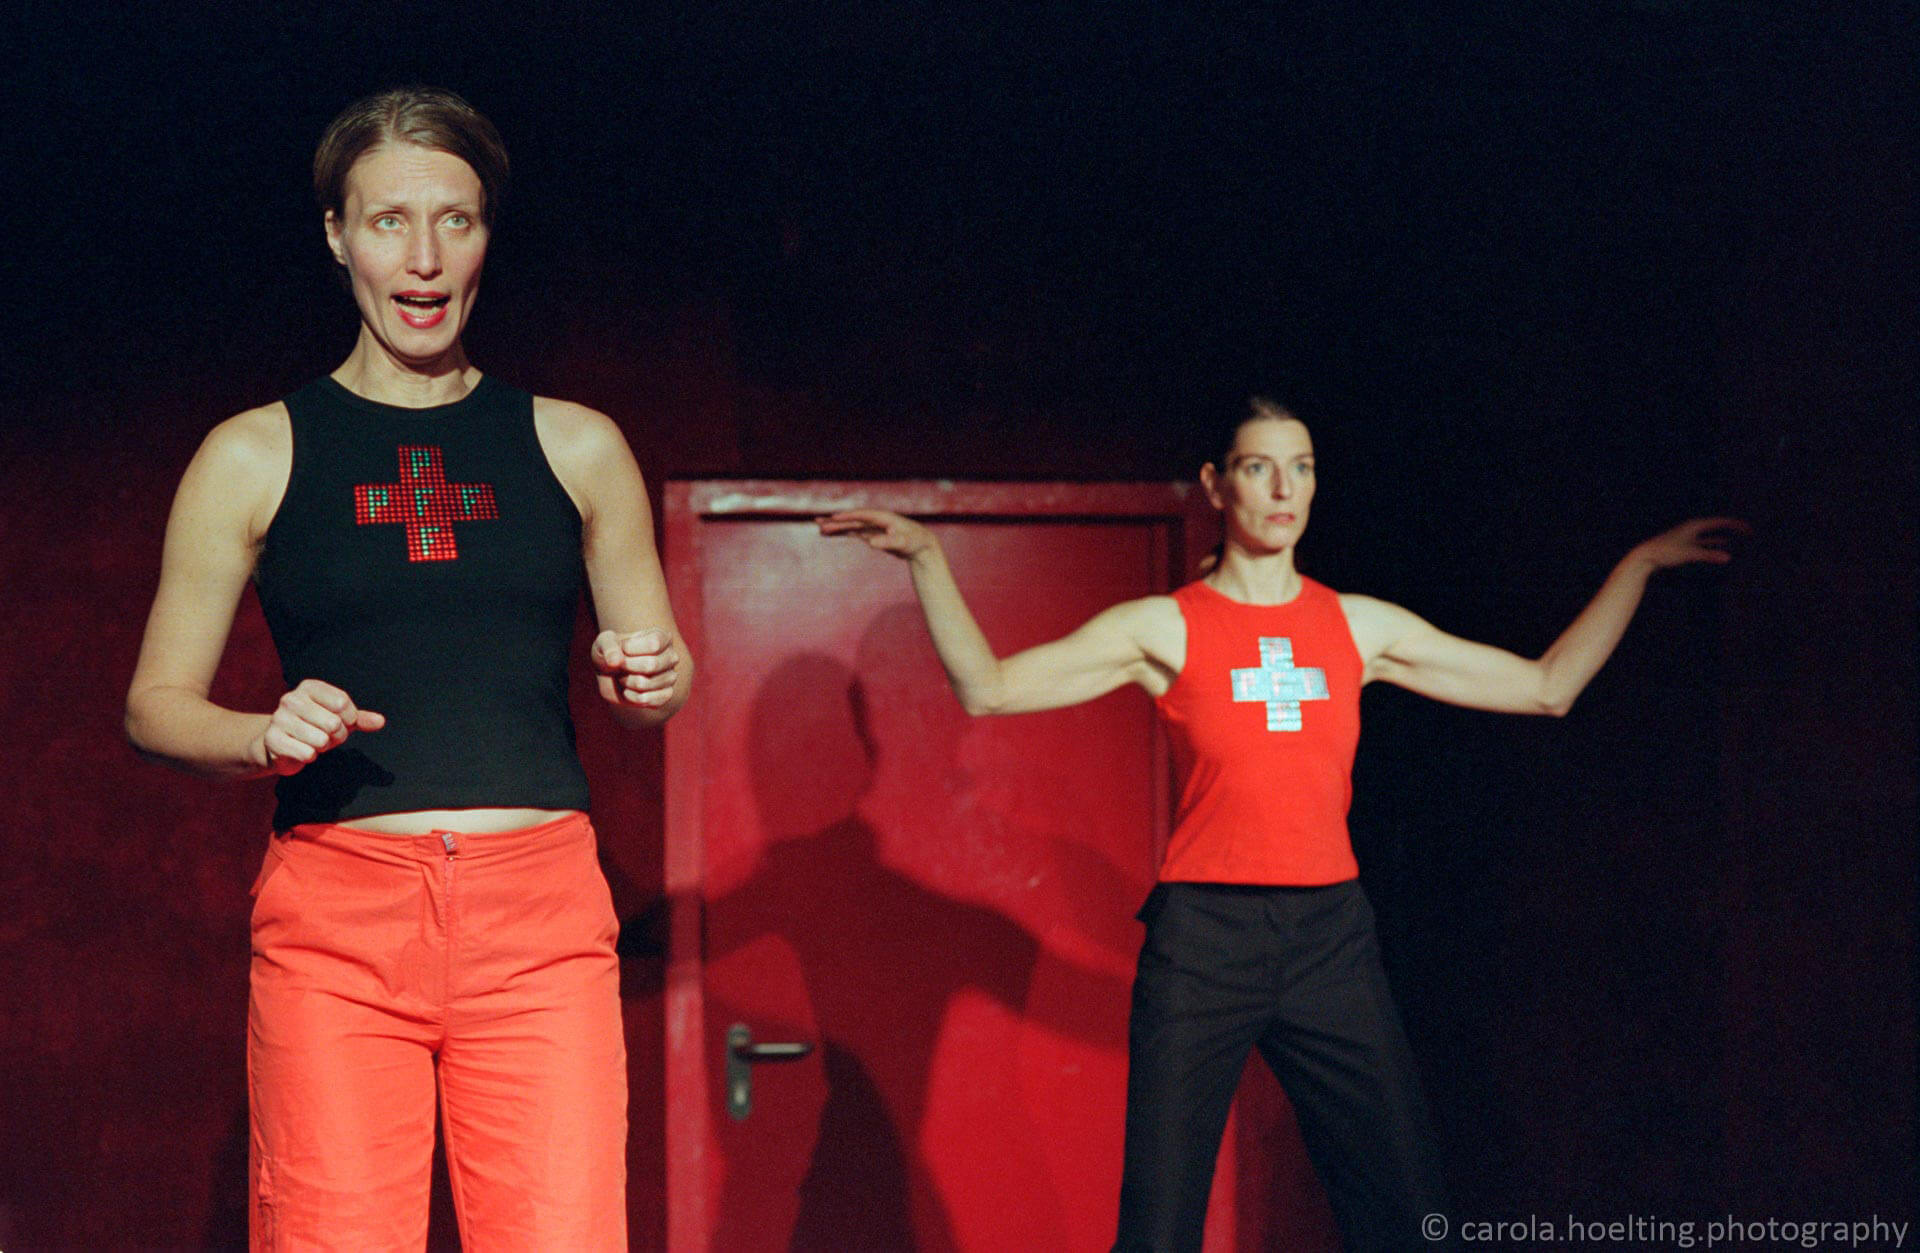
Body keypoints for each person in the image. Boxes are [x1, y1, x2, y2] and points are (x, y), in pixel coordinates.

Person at [819, 397, 1742, 1252]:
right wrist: (927, 559)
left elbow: (1546, 687)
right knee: (1157, 1230)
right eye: (1259, 467)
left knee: (1410, 1213)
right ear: (1217, 484)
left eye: (1301, 467)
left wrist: (1637, 566)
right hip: (1204, 944)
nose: (1284, 488)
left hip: (1329, 940)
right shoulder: (1164, 627)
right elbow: (989, 688)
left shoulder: (1357, 626)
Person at [123, 86, 688, 1251]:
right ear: (337, 234)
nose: (424, 258)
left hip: (539, 915)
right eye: (389, 221)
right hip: (339, 914)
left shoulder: (578, 444)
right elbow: (155, 703)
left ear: (486, 236)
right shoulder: (252, 452)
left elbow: (656, 681)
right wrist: (259, 732)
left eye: (455, 220)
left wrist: (653, 677)